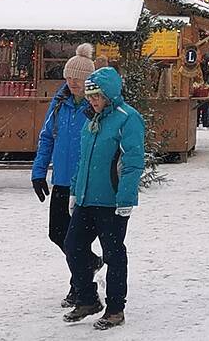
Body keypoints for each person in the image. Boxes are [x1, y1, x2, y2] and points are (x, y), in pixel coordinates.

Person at [64, 67, 145, 331]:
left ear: (109, 95)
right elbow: (83, 160)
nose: (92, 101)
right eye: (90, 97)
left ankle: (115, 308)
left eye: (97, 96)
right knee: (73, 247)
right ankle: (88, 299)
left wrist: (125, 198)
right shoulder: (92, 121)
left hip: (112, 202)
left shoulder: (127, 119)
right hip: (87, 199)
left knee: (114, 254)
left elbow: (132, 163)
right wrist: (76, 191)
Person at [32, 43, 96, 307]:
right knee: (57, 234)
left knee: (75, 240)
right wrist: (38, 172)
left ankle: (78, 286)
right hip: (61, 181)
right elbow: (47, 137)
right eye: (69, 78)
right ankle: (89, 264)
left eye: (78, 79)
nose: (72, 83)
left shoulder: (95, 106)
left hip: (85, 184)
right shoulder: (59, 103)